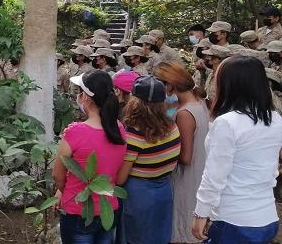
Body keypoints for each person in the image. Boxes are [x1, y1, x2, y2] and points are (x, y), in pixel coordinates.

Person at [192, 56, 282, 243]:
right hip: (267, 216)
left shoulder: (227, 123)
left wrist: (201, 213)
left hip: (234, 219)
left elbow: (214, 175)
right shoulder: (275, 119)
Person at [53, 70, 126, 243]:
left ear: (85, 97)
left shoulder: (74, 132)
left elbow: (58, 175)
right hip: (108, 208)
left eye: (80, 92)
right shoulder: (119, 129)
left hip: (78, 210)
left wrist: (62, 191)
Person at [117, 76, 181, 244]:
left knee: (136, 237)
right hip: (164, 190)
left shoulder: (135, 133)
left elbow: (121, 179)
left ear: (135, 102)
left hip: (139, 194)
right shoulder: (172, 127)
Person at [153, 62, 209, 244]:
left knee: (183, 231)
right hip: (200, 173)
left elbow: (185, 156)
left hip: (186, 179)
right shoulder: (199, 102)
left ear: (169, 85)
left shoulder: (185, 113)